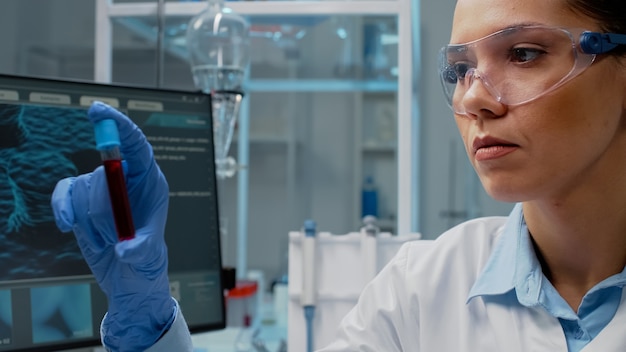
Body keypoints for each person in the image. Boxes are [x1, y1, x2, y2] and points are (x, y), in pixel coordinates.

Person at [50, 0, 626, 351]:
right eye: (460, 69)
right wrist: (149, 322)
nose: (474, 98)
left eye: (523, 54)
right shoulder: (421, 290)